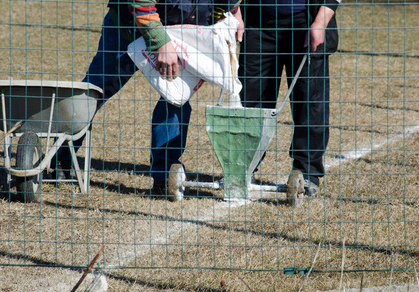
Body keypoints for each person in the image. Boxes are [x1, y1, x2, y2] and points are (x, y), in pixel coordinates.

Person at [50, 0, 244, 200]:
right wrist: (160, 42)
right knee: (94, 93)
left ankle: (164, 177)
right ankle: (60, 159)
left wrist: (234, 12)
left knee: (176, 99)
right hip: (127, 30)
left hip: (181, 34)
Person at [238, 0, 339, 206]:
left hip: (306, 22)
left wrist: (320, 22)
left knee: (309, 102)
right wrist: (235, 12)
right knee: (250, 101)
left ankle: (307, 171)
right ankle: (242, 168)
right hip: (257, 23)